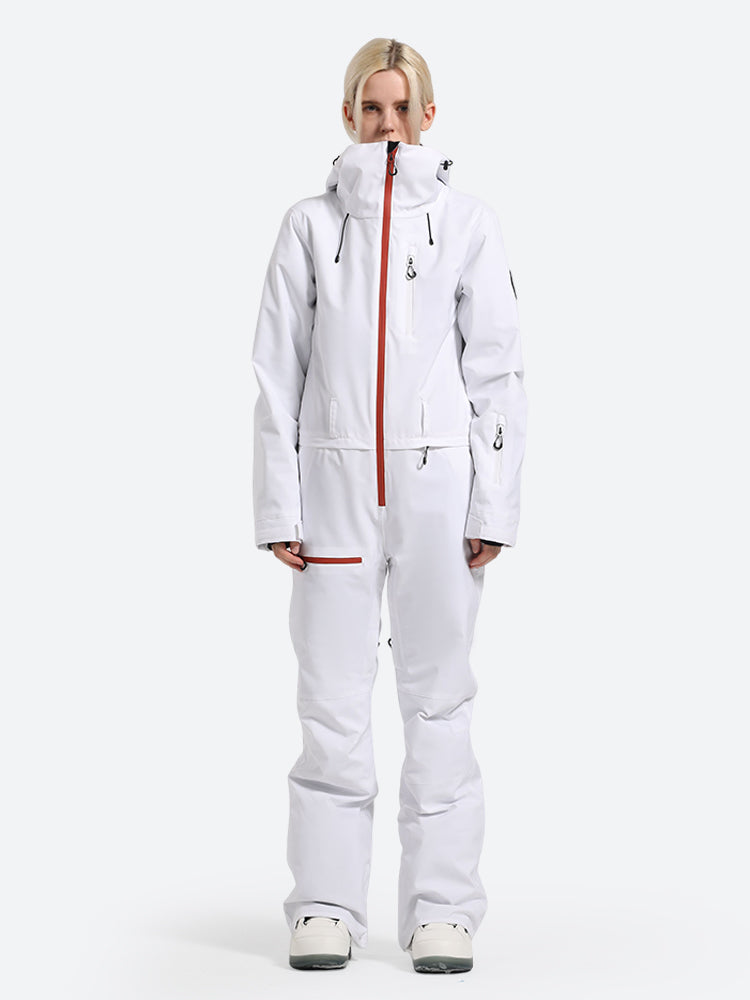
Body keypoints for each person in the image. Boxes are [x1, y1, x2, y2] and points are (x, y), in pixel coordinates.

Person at [251, 36, 527, 973]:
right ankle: (324, 907)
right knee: (331, 707)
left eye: (402, 107)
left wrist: (494, 505)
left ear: (429, 115)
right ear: (348, 116)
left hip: (438, 497)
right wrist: (278, 505)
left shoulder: (468, 224)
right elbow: (275, 373)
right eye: (372, 108)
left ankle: (442, 909)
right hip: (332, 497)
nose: (388, 125)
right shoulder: (307, 227)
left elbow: (497, 373)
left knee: (438, 701)